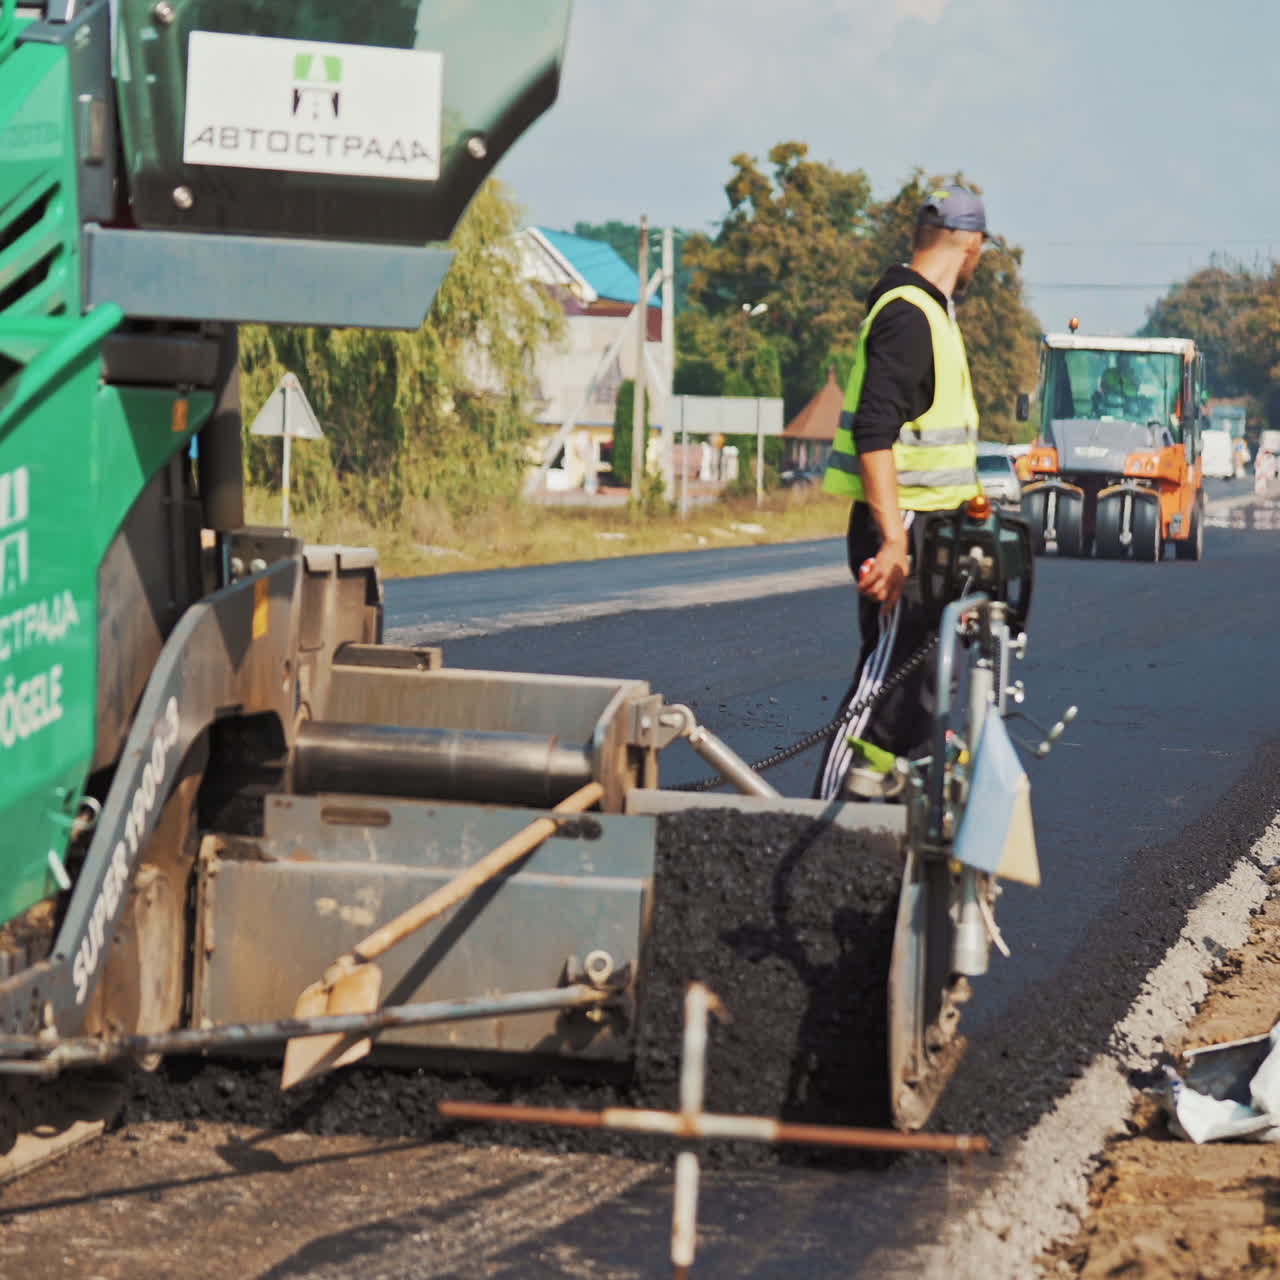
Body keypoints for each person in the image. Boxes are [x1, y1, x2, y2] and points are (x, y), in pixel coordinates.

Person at [814, 183, 987, 801]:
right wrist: (893, 541)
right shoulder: (909, 315)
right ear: (971, 243)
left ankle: (886, 856)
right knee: (881, 694)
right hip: (904, 530)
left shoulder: (932, 313)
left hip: (929, 529)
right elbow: (875, 431)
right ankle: (819, 826)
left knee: (917, 698)